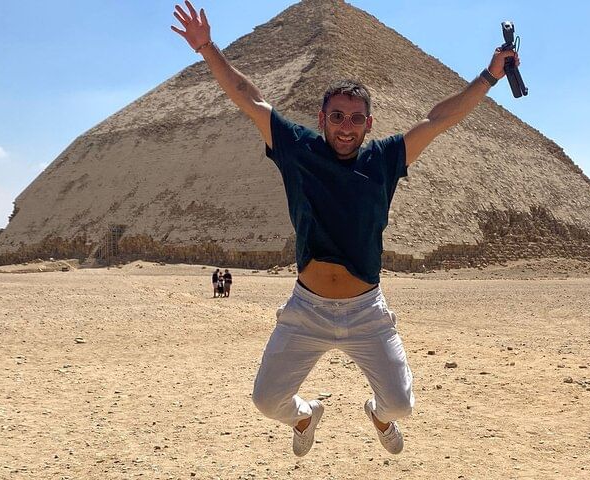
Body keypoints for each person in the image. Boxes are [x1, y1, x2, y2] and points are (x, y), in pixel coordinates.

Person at [172, 0, 519, 456]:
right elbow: (247, 96)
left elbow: (440, 119)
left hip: (366, 311)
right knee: (266, 400)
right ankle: (305, 416)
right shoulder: (298, 149)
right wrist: (207, 47)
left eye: (356, 118)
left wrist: (490, 76)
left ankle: (377, 415)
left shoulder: (384, 159)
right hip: (307, 308)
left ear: (369, 124)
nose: (346, 126)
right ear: (322, 119)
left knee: (401, 405)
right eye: (336, 116)